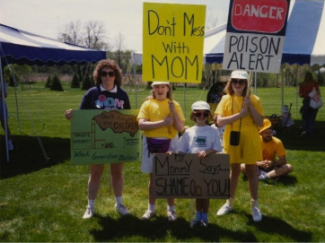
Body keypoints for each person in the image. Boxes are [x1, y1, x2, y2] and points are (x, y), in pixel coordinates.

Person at [65, 59, 131, 219]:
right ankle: (90, 207)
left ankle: (119, 204)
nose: (107, 76)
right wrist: (71, 116)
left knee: (117, 173)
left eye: (111, 73)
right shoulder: (91, 93)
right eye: (104, 73)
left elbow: (129, 119)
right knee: (95, 173)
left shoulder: (122, 95)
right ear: (99, 76)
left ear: (116, 76)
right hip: (96, 142)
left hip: (117, 142)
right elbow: (81, 116)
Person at [214, 70, 264, 222]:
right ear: (230, 83)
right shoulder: (225, 99)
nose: (237, 84)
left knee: (251, 171)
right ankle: (229, 202)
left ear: (246, 84)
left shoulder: (254, 99)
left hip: (250, 136)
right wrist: (239, 115)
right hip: (232, 134)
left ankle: (254, 205)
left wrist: (250, 107)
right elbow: (219, 122)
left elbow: (260, 122)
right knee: (234, 170)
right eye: (234, 81)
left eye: (241, 82)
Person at [137, 81, 185, 221]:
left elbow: (180, 127)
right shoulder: (148, 104)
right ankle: (151, 208)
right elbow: (141, 124)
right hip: (151, 144)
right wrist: (162, 123)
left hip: (171, 143)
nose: (160, 89)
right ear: (153, 88)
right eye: (156, 86)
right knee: (153, 177)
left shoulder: (174, 104)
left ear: (168, 88)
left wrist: (174, 111)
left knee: (169, 176)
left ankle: (171, 209)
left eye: (163, 86)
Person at [177, 101, 222, 227]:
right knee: (197, 192)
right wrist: (175, 156)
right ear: (193, 115)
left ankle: (205, 217)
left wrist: (207, 151)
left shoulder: (213, 131)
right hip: (193, 166)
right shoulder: (188, 132)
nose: (201, 116)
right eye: (198, 114)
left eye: (205, 114)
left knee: (206, 192)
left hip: (209, 165)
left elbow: (217, 147)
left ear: (209, 115)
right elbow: (182, 149)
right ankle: (198, 217)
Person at [299, 71, 321, 138]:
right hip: (314, 100)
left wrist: (305, 95)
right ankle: (310, 132)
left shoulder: (303, 84)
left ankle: (304, 130)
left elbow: (300, 94)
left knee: (305, 117)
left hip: (306, 101)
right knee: (312, 118)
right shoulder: (314, 83)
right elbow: (318, 92)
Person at [0, 78, 14, 150]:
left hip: (1, 104)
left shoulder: (3, 82)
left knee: (4, 125)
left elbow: (4, 95)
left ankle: (10, 144)